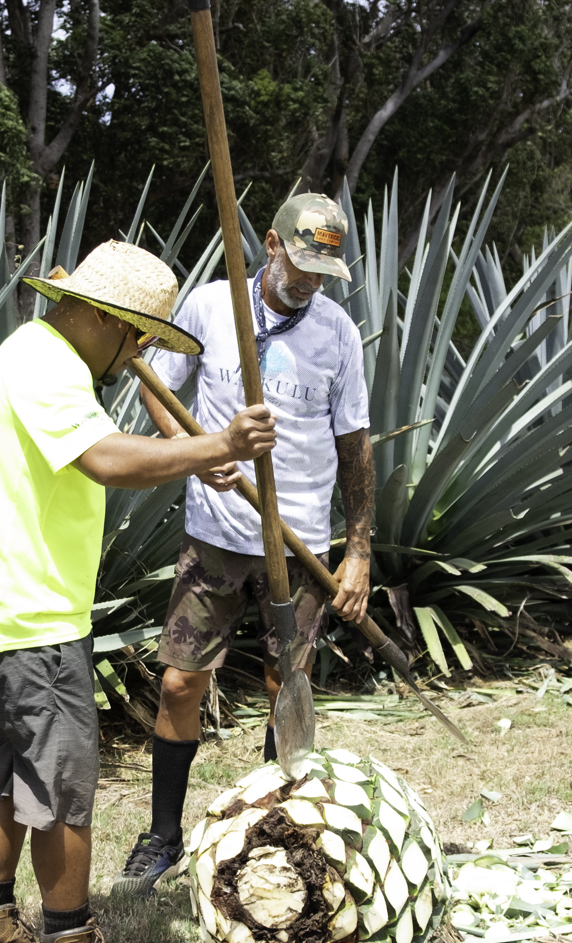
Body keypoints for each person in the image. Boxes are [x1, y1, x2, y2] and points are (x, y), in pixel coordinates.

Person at [0, 240, 277, 943]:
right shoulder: (48, 365)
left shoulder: (36, 354)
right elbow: (106, 460)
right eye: (138, 338)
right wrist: (218, 444)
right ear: (102, 318)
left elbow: (110, 449)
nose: (138, 355)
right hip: (28, 615)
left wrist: (195, 453)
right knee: (62, 783)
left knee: (9, 770)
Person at [112, 193, 374, 896]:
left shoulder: (337, 335)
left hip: (298, 545)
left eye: (324, 270)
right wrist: (195, 451)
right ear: (269, 243)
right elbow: (158, 390)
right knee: (179, 682)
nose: (311, 281)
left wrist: (359, 551)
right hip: (216, 538)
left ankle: (272, 829)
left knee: (285, 685)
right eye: (301, 263)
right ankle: (163, 836)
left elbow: (354, 447)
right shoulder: (207, 307)